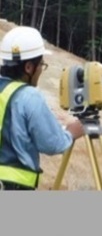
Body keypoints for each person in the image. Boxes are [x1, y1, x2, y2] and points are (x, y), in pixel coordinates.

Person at [0, 26, 84, 190]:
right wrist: (71, 133)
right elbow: (52, 144)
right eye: (41, 65)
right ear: (29, 67)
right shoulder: (29, 96)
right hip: (14, 186)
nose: (41, 70)